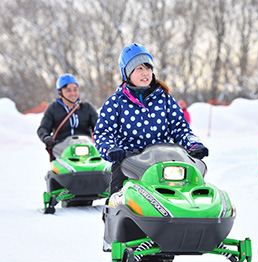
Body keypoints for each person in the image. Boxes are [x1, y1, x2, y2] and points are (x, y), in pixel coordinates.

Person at [93, 43, 208, 196]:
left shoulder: (165, 99)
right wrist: (111, 149)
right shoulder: (115, 103)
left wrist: (194, 144)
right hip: (129, 163)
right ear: (127, 73)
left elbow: (181, 129)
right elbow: (102, 133)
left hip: (165, 163)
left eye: (148, 68)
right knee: (117, 200)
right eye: (139, 68)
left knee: (187, 188)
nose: (145, 73)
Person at [37, 74, 98, 160]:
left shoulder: (87, 107)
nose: (73, 94)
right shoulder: (53, 108)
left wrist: (101, 138)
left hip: (86, 149)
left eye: (75, 90)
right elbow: (43, 128)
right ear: (60, 92)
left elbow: (99, 127)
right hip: (61, 151)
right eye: (68, 90)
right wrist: (46, 138)